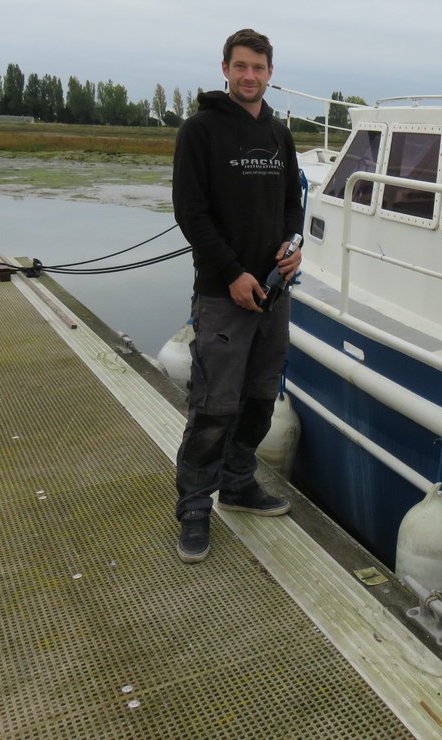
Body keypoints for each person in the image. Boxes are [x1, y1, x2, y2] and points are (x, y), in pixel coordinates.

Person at [171, 28, 304, 563]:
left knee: (259, 399)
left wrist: (294, 248)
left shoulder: (278, 133)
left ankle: (239, 483)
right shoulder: (200, 131)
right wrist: (230, 273)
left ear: (271, 73)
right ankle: (195, 508)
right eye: (241, 66)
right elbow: (191, 212)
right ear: (225, 68)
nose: (251, 76)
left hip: (273, 293)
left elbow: (293, 202)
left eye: (260, 68)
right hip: (225, 295)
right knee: (213, 406)